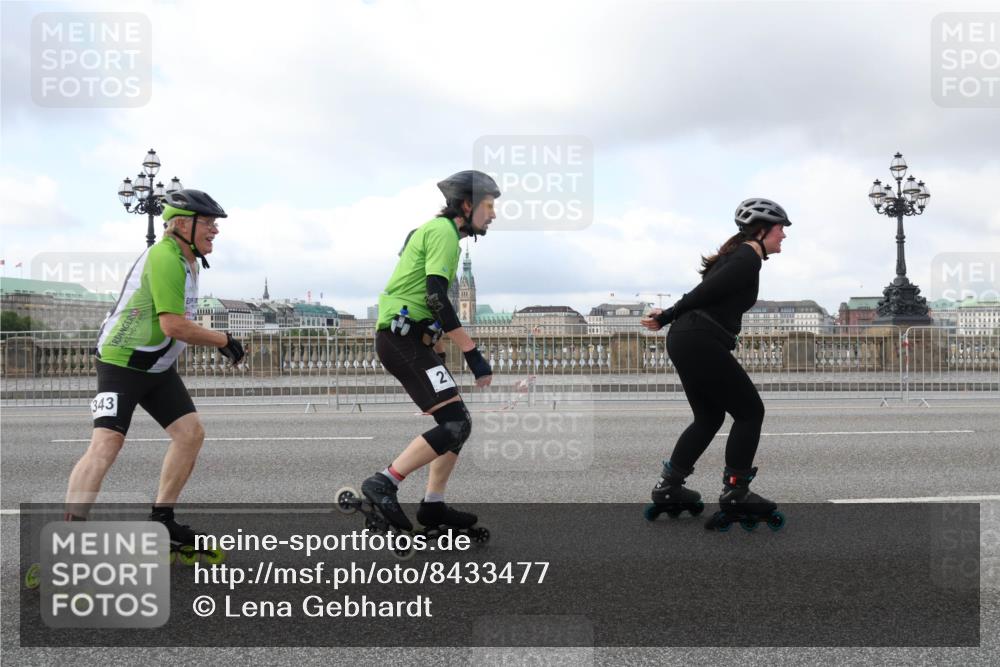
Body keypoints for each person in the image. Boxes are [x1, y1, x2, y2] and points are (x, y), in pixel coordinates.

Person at [64, 189, 245, 549]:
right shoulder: (164, 257)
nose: (215, 230)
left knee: (190, 434)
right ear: (181, 224)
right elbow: (173, 326)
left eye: (214, 223)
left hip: (157, 366)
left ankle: (162, 521)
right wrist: (223, 339)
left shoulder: (188, 260)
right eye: (208, 223)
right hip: (122, 362)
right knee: (107, 443)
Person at [641, 198, 791, 530]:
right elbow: (707, 292)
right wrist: (666, 315)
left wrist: (671, 316)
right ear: (763, 229)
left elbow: (703, 291)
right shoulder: (747, 257)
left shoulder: (738, 256)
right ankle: (736, 492)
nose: (784, 235)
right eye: (781, 229)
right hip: (698, 338)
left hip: (688, 338)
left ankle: (670, 487)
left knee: (709, 417)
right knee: (751, 412)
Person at [360, 170, 498, 532]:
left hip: (409, 338)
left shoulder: (442, 234)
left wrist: (435, 340)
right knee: (455, 424)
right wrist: (472, 354)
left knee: (457, 423)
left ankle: (433, 506)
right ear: (467, 205)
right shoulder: (444, 233)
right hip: (399, 338)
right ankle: (384, 482)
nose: (494, 215)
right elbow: (437, 296)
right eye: (488, 206)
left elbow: (423, 296)